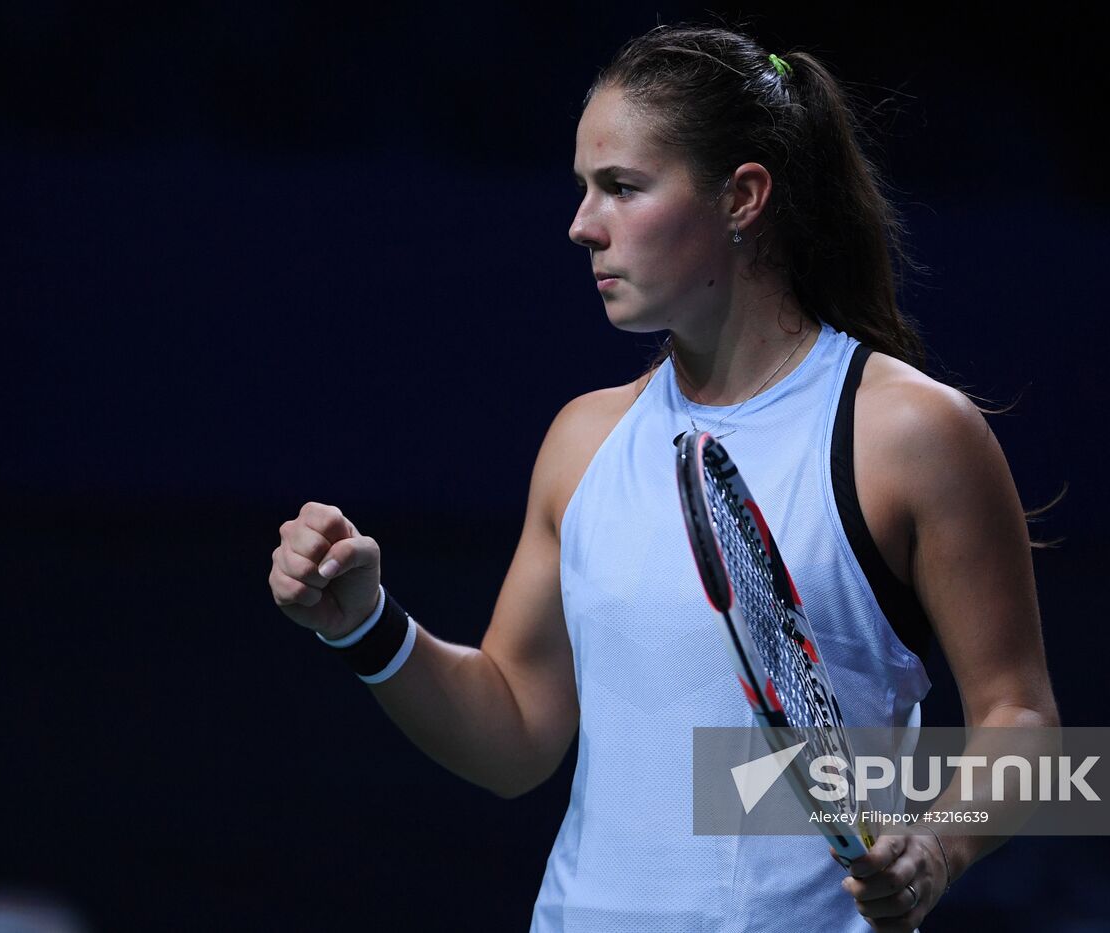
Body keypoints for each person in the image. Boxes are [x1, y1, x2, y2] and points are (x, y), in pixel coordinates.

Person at [268, 23, 1058, 932]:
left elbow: (1020, 717)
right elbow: (516, 734)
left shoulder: (910, 433)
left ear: (742, 197)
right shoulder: (583, 441)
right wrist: (367, 626)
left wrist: (938, 845)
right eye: (583, 190)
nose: (581, 224)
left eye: (622, 188)